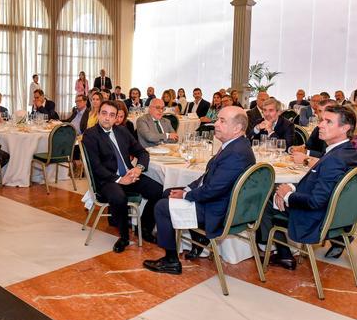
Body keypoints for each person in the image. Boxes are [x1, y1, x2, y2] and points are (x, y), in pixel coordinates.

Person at [143, 106, 255, 275]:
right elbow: (207, 177)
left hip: (217, 209)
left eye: (222, 121)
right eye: (217, 119)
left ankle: (171, 260)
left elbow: (213, 190)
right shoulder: (236, 145)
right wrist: (186, 189)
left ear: (237, 128)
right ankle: (198, 240)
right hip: (219, 200)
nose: (215, 124)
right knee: (168, 192)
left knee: (162, 206)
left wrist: (186, 195)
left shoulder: (236, 153)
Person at [260, 106, 357, 270]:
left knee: (264, 199)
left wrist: (287, 196)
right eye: (322, 120)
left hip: (316, 219)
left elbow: (316, 201)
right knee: (277, 192)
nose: (320, 125)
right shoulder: (349, 152)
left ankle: (280, 252)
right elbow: (323, 187)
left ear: (345, 128)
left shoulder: (334, 159)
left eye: (328, 122)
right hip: (340, 217)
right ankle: (278, 249)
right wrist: (292, 188)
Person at [82, 101, 163, 253]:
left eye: (112, 115)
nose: (107, 118)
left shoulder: (122, 131)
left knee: (159, 191)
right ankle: (124, 237)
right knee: (119, 197)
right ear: (98, 114)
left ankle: (144, 229)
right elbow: (96, 167)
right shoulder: (90, 135)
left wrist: (139, 168)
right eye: (104, 113)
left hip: (129, 174)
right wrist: (119, 179)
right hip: (107, 180)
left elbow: (142, 152)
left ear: (116, 118)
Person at [324, 104, 357, 259]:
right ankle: (339, 237)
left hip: (350, 203)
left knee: (304, 190)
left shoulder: (356, 143)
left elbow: (334, 169)